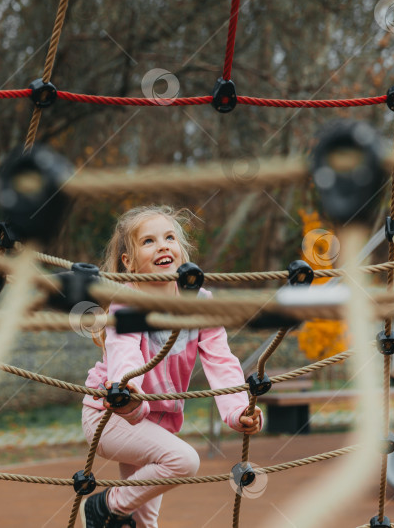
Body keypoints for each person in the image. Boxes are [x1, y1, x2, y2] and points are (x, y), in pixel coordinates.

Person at [80, 205, 263, 528]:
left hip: (157, 422)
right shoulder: (128, 300)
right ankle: (104, 506)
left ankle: (112, 513)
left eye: (169, 238)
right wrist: (128, 385)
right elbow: (124, 350)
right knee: (183, 460)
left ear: (181, 250)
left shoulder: (200, 302)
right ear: (129, 261)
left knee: (145, 522)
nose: (163, 245)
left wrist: (237, 410)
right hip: (111, 413)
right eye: (148, 241)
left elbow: (220, 360)